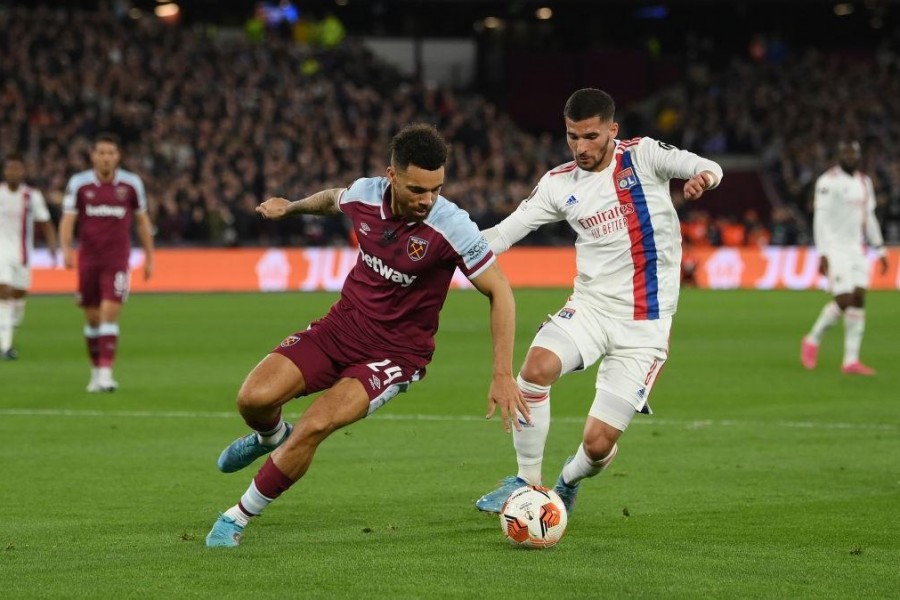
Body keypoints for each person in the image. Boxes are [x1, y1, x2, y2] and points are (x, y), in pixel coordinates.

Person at [205, 123, 527, 548]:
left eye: (436, 189)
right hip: (341, 326)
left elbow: (500, 291)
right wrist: (292, 207)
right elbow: (329, 200)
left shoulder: (453, 226)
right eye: (417, 189)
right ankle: (270, 437)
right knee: (253, 398)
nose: (428, 200)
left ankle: (237, 516)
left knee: (316, 423)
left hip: (395, 355)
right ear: (391, 177)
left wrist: (502, 373)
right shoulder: (365, 194)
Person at [474, 88, 724, 514]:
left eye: (590, 137)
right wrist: (450, 249)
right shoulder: (558, 184)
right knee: (536, 368)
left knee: (597, 444)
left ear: (612, 130)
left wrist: (705, 177)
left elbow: (704, 164)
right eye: (572, 136)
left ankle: (569, 481)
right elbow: (502, 234)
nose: (580, 147)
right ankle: (527, 484)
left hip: (645, 326)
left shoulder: (644, 156)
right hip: (590, 308)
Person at [58, 133, 155, 391]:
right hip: (88, 260)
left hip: (117, 261)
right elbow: (68, 219)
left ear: (117, 156)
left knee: (109, 314)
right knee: (91, 320)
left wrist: (149, 256)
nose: (105, 158)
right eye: (101, 153)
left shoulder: (131, 184)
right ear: (93, 156)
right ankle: (95, 373)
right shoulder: (79, 184)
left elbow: (142, 221)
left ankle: (105, 374)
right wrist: (66, 249)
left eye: (110, 153)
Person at [801, 141, 888, 375]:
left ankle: (850, 360)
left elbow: (869, 217)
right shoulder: (828, 182)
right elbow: (820, 218)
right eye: (845, 153)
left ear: (859, 156)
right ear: (839, 156)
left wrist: (879, 248)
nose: (850, 157)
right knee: (845, 298)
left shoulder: (864, 182)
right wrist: (823, 252)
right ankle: (812, 339)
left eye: (853, 153)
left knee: (859, 298)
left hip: (857, 249)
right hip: (836, 248)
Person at [0, 152, 58, 360]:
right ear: (4, 171)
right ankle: (5, 347)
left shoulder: (32, 196)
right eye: (9, 168)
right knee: (3, 292)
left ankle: (8, 329)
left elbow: (45, 223)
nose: (13, 172)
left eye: (17, 168)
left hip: (23, 254)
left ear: (23, 172)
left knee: (18, 296)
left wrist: (53, 246)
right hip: (1, 253)